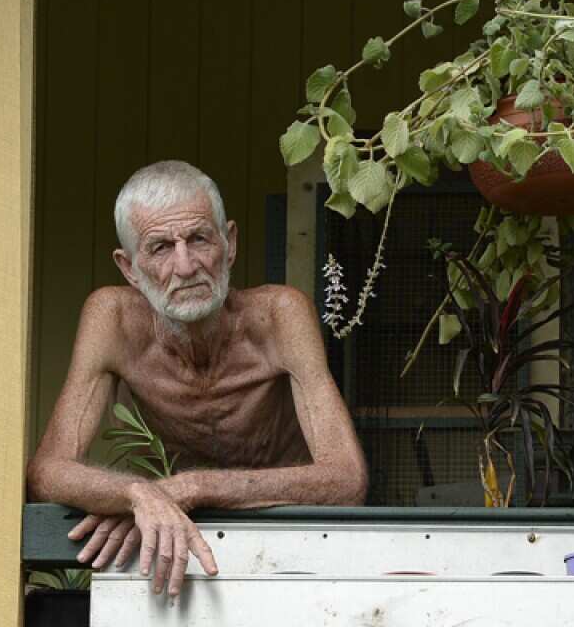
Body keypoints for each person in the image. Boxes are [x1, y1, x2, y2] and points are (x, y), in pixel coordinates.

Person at [26, 160, 368, 599]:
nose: (186, 266)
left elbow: (346, 478)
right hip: (182, 544)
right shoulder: (112, 318)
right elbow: (47, 471)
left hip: (292, 539)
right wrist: (137, 495)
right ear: (129, 267)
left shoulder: (280, 315)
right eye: (161, 248)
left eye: (199, 239)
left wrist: (188, 488)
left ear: (230, 244)